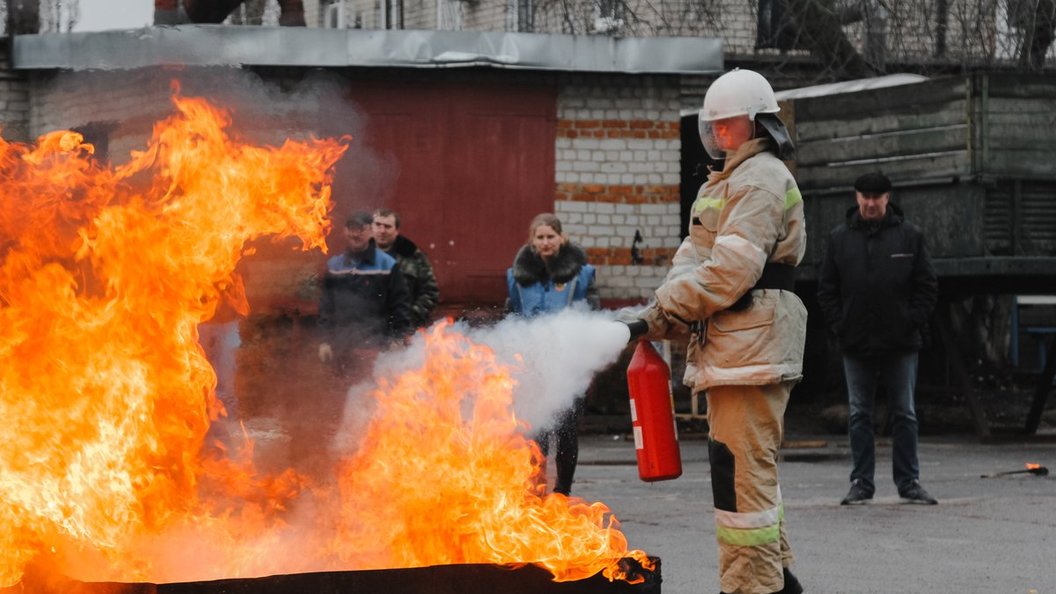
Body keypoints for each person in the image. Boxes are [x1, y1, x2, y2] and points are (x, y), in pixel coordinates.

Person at [622, 68, 806, 594]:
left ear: (757, 125)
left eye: (729, 127)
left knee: (741, 484)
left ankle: (752, 588)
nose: (720, 136)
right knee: (745, 481)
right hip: (733, 348)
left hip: (753, 348)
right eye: (715, 127)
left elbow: (730, 273)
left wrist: (661, 310)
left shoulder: (762, 178)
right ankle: (778, 583)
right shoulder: (722, 184)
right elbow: (692, 263)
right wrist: (656, 314)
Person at [816, 172, 939, 507]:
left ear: (888, 198)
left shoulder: (910, 236)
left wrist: (909, 321)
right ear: (856, 197)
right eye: (865, 197)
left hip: (900, 343)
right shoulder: (839, 239)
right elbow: (826, 288)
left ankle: (909, 482)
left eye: (877, 197)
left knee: (905, 413)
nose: (870, 203)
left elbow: (927, 286)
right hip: (856, 343)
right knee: (859, 415)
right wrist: (841, 325)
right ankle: (861, 482)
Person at [506, 213, 599, 496]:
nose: (545, 242)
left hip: (568, 365)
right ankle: (537, 488)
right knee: (538, 433)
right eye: (540, 237)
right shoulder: (516, 277)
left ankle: (563, 491)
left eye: (550, 237)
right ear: (532, 241)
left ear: (561, 238)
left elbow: (592, 314)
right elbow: (512, 318)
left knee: (567, 433)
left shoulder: (582, 275)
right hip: (534, 366)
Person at [318, 210, 412, 376]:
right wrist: (325, 340)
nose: (355, 234)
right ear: (345, 231)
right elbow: (326, 307)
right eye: (351, 229)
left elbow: (400, 305)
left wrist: (397, 337)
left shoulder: (387, 264)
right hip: (342, 348)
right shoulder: (335, 265)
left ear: (371, 231)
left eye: (361, 229)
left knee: (374, 395)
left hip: (376, 347)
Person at [372, 208, 440, 328]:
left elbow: (430, 292)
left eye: (387, 226)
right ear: (371, 227)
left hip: (405, 331)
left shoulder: (413, 256)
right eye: (378, 225)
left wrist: (408, 317)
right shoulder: (357, 256)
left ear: (396, 230)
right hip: (366, 331)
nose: (382, 231)